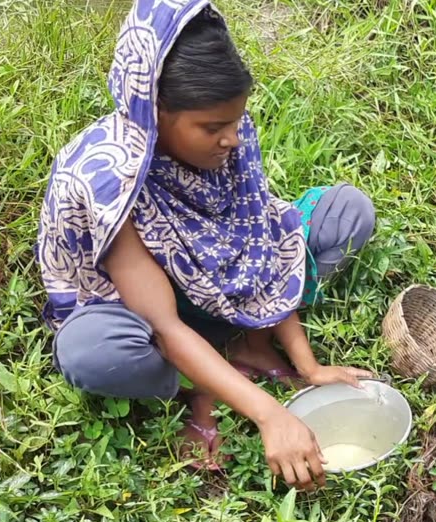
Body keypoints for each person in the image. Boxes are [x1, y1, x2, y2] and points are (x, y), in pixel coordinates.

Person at [35, 0, 377, 492]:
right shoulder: (111, 181)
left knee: (348, 212)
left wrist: (308, 364)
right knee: (95, 355)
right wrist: (271, 416)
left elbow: (262, 246)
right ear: (154, 111)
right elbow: (165, 324)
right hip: (147, 314)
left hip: (218, 287)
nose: (231, 139)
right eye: (213, 128)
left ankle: (248, 345)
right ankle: (198, 387)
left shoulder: (230, 139)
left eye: (235, 122)